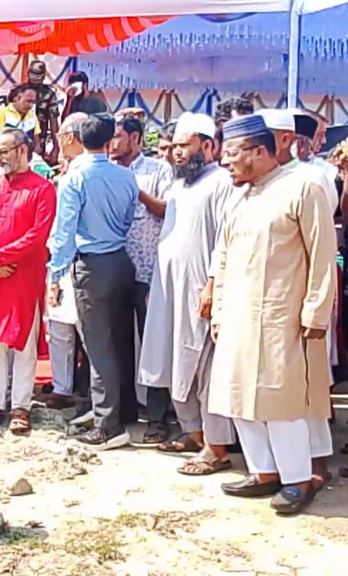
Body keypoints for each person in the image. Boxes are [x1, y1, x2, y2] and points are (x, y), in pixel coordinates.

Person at [211, 114, 336, 515]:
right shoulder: (240, 198)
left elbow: (322, 254)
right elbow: (225, 258)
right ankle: (263, 471)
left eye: (232, 153)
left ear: (260, 151)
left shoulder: (303, 188)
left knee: (281, 400)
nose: (225, 161)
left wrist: (316, 311)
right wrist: (218, 311)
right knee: (237, 396)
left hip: (283, 316)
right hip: (237, 317)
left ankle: (298, 479)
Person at [138, 113, 239, 474]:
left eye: (184, 145)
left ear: (207, 145)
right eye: (175, 146)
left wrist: (212, 285)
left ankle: (216, 448)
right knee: (175, 361)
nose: (176, 152)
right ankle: (194, 433)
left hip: (201, 290)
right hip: (170, 290)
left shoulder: (222, 183)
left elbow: (225, 241)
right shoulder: (180, 186)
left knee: (204, 369)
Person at [48, 113, 139, 450]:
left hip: (91, 263)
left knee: (99, 347)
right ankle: (121, 410)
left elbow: (65, 230)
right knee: (120, 341)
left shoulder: (75, 177)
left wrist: (56, 274)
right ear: (109, 140)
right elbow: (128, 218)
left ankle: (108, 425)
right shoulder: (125, 175)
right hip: (120, 259)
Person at [259, 108, 338, 487]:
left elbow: (320, 248)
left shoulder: (311, 179)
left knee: (309, 383)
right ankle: (278, 465)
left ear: (286, 140)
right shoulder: (260, 183)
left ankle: (317, 462)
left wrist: (315, 308)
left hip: (301, 298)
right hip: (269, 300)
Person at [0, 129, 57, 432]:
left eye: (5, 151)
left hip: (23, 276)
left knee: (24, 344)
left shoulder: (42, 189)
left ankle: (21, 406)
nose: (0, 157)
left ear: (22, 150)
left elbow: (38, 234)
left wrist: (3, 257)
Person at [110, 114, 175, 440]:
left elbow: (166, 210)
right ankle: (124, 411)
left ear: (135, 138)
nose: (112, 142)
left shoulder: (158, 169)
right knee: (119, 344)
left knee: (153, 347)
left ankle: (157, 419)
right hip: (116, 271)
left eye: (118, 136)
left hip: (149, 273)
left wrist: (137, 192)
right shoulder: (107, 170)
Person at [43, 113, 88, 410]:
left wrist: (57, 268)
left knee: (84, 328)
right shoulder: (69, 169)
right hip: (64, 258)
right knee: (59, 325)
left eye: (60, 136)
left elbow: (68, 225)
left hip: (75, 260)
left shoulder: (81, 171)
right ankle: (62, 386)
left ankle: (86, 389)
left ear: (70, 137)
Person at [25, 61, 60, 162]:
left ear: (44, 76)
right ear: (28, 74)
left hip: (40, 142)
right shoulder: (20, 92)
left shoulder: (49, 94)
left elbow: (53, 122)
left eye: (38, 76)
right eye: (33, 75)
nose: (36, 79)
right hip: (20, 139)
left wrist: (56, 147)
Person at [0, 85, 41, 152]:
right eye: (28, 101)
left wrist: (37, 149)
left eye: (33, 102)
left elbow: (36, 136)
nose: (30, 105)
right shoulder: (3, 113)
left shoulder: (32, 116)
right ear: (17, 99)